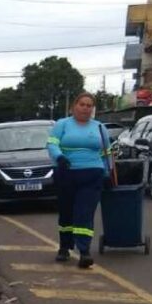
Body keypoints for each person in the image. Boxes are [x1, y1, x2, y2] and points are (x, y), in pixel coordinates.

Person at [46, 92, 111, 269]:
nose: (85, 108)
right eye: (82, 104)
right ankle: (65, 247)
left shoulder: (99, 127)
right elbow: (51, 143)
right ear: (73, 107)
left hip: (92, 174)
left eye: (89, 105)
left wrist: (108, 172)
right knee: (66, 212)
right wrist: (59, 157)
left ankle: (84, 252)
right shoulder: (62, 124)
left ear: (93, 109)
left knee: (85, 213)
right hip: (67, 173)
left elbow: (107, 152)